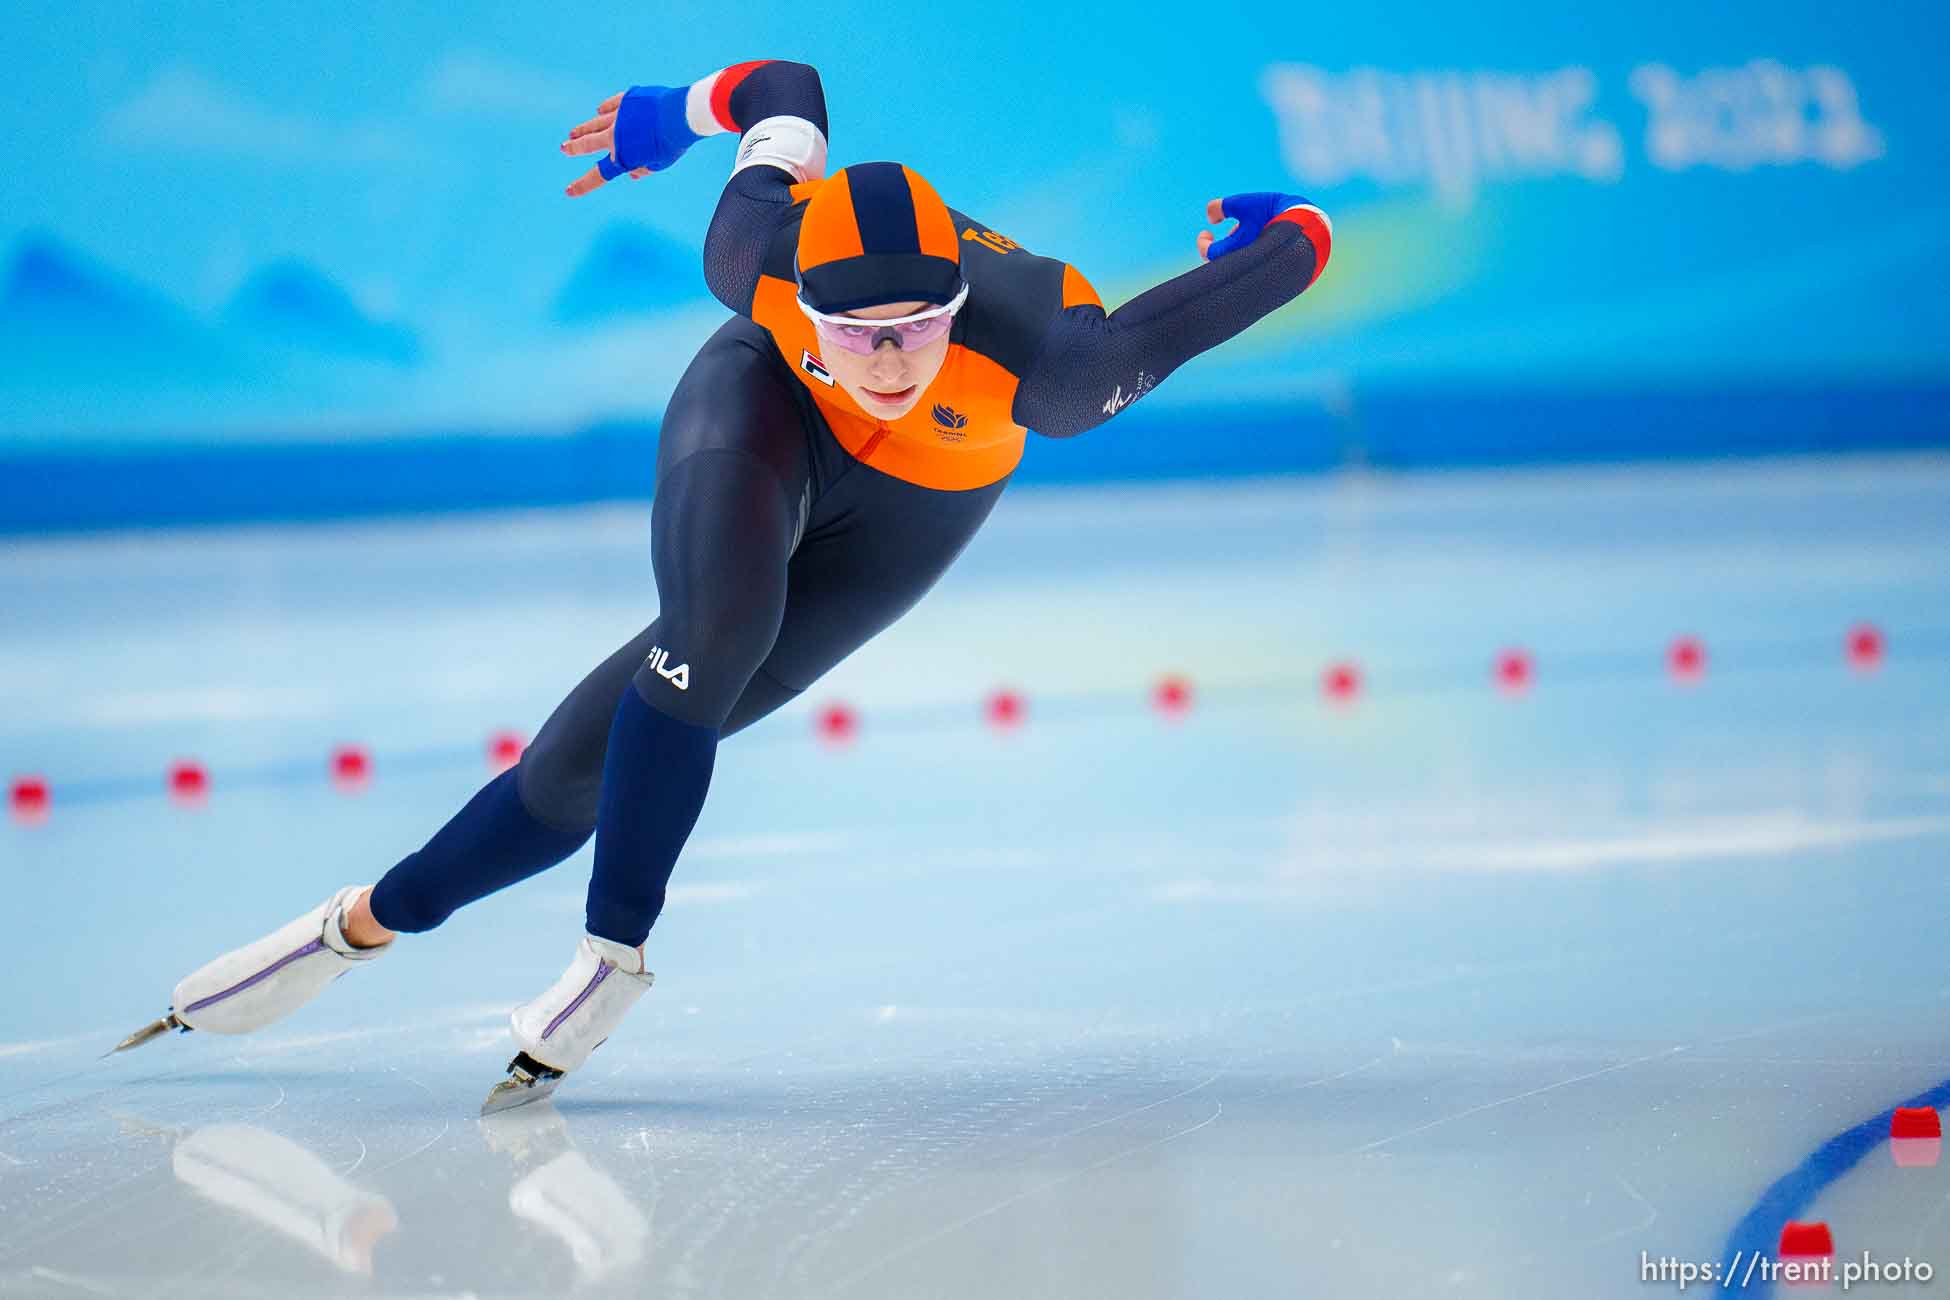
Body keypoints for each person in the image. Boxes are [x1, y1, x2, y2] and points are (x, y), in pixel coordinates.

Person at [114, 60, 1333, 1111]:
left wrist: (1295, 234)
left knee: (588, 764)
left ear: (960, 308)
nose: (891, 360)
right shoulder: (750, 249)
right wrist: (676, 113)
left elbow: (1229, 296)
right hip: (763, 410)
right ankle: (424, 933)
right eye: (856, 332)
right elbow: (789, 90)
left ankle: (400, 919)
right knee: (703, 644)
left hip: (923, 504)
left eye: (919, 329)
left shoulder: (1055, 368)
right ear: (801, 296)